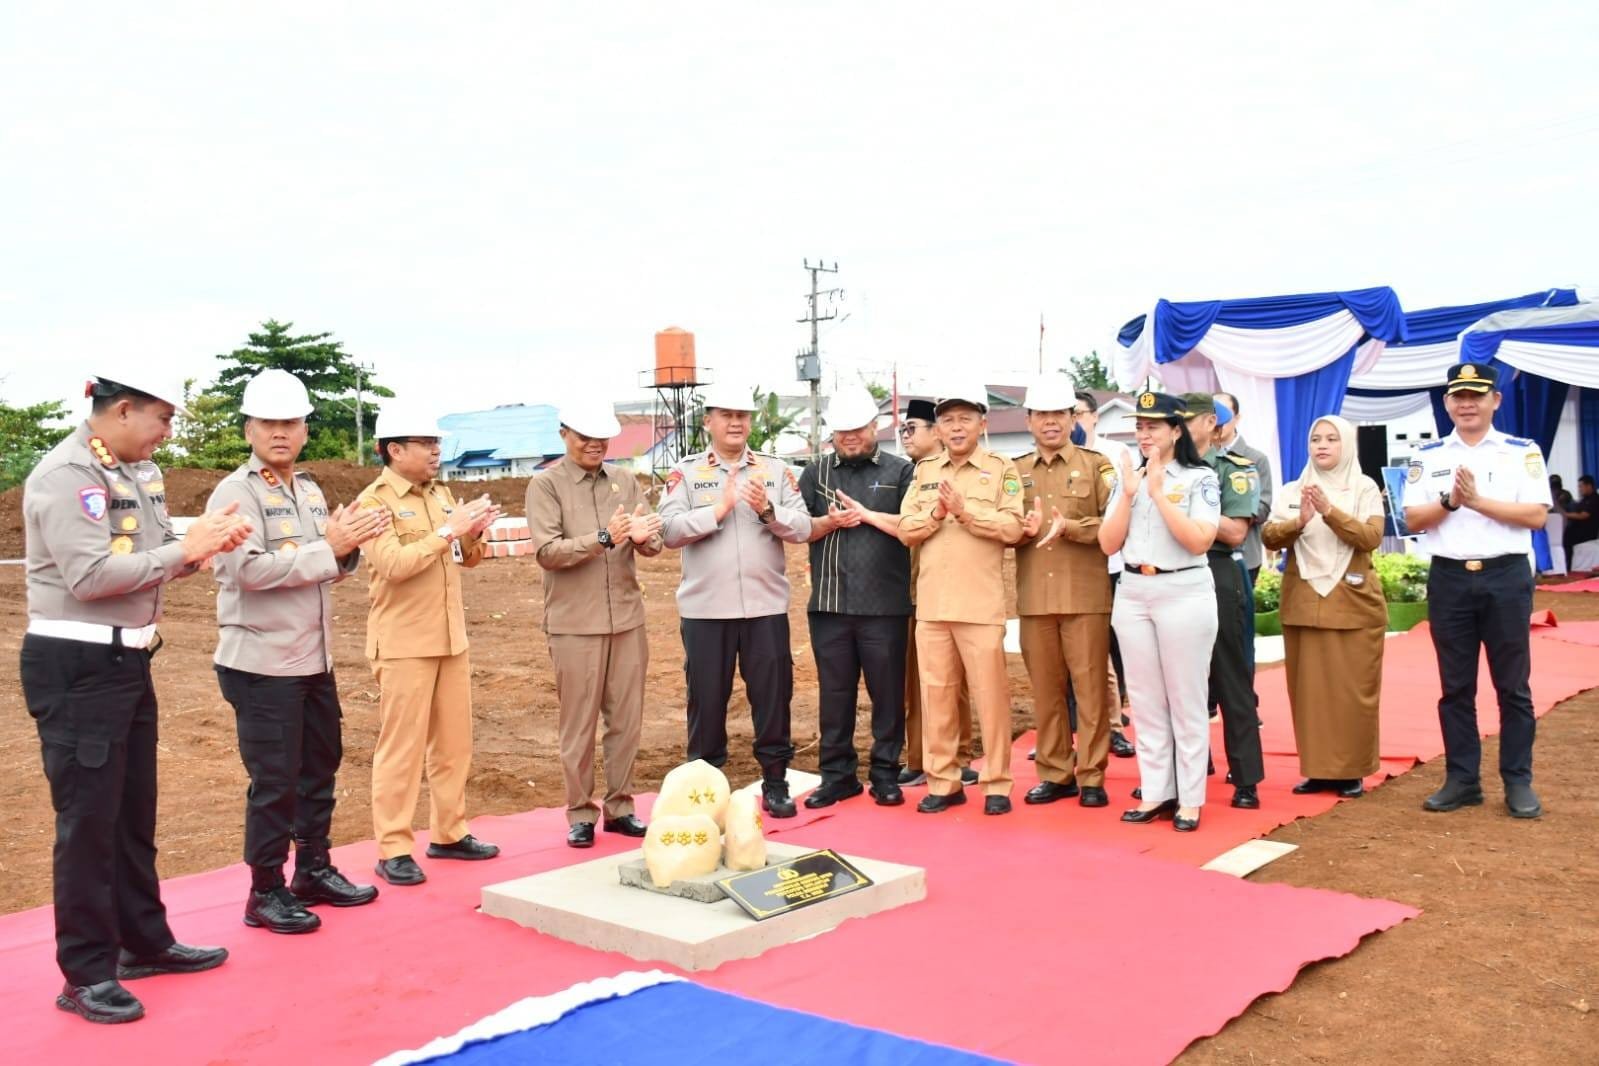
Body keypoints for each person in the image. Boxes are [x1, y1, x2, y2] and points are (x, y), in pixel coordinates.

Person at [21, 372, 250, 1023]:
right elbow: (91, 576)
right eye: (163, 419)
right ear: (122, 410)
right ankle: (86, 973)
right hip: (78, 664)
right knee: (88, 824)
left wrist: (195, 550)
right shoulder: (66, 475)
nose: (168, 434)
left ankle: (143, 941)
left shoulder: (137, 473)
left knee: (130, 812)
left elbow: (151, 555)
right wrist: (184, 548)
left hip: (128, 659)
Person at [209, 370, 387, 935]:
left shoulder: (307, 490)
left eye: (290, 422)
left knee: (319, 768)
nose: (280, 433)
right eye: (269, 423)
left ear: (306, 429)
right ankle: (266, 890)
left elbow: (328, 562)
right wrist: (326, 548)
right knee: (275, 780)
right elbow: (250, 569)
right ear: (249, 428)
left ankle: (312, 868)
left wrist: (346, 548)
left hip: (313, 659)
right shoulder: (237, 493)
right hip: (261, 664)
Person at [359, 404, 503, 885]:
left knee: (453, 745)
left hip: (449, 638)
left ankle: (449, 832)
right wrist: (449, 531)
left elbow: (465, 559)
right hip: (404, 644)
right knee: (401, 748)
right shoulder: (372, 503)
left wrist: (474, 534)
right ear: (394, 450)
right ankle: (394, 846)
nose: (436, 451)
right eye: (425, 443)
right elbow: (395, 565)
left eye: (437, 443)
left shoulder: (441, 494)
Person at [1403, 362, 1551, 819]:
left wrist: (1478, 501)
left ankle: (1518, 781)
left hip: (1505, 576)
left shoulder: (1520, 452)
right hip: (1449, 577)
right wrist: (1449, 501)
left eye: (1476, 395)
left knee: (1513, 686)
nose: (1466, 403)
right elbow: (1411, 520)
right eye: (1458, 396)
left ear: (1495, 401)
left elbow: (1536, 516)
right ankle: (1462, 779)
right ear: (1447, 403)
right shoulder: (1426, 457)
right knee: (1455, 687)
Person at [659, 380, 812, 818]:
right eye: (726, 415)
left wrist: (769, 511)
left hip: (765, 608)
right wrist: (718, 511)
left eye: (742, 416)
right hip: (707, 612)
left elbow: (802, 527)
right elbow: (668, 531)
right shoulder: (686, 473)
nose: (735, 423)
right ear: (708, 421)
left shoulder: (775, 471)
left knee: (772, 695)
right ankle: (706, 786)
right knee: (706, 699)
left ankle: (776, 781)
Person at [528, 399, 663, 849]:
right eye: (584, 436)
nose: (594, 445)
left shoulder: (624, 480)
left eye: (601, 437)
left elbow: (651, 538)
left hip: (626, 619)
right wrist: (604, 538)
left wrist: (645, 539)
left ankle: (621, 806)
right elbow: (549, 551)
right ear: (564, 434)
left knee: (626, 719)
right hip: (574, 624)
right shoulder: (545, 486)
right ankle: (580, 811)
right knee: (579, 723)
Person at [898, 382, 1024, 815]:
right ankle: (944, 780)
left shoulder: (1000, 468)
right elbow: (905, 529)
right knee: (936, 697)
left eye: (964, 419)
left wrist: (966, 513)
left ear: (982, 424)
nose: (955, 427)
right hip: (933, 605)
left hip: (980, 605)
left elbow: (1012, 529)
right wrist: (937, 513)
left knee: (990, 698)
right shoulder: (926, 471)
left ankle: (996, 785)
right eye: (948, 419)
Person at [1099, 392, 1221, 833]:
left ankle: (1190, 798)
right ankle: (1156, 791)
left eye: (1153, 426)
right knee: (1147, 700)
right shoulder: (1125, 476)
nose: (1144, 433)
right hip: (1133, 589)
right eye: (1139, 426)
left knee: (1185, 699)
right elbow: (1107, 543)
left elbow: (1199, 540)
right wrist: (1132, 495)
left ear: (1176, 430)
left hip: (1183, 588)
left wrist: (1159, 495)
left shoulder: (1199, 478)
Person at [797, 385, 914, 808]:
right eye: (841, 431)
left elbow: (912, 526)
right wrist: (825, 522)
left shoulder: (902, 472)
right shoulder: (816, 473)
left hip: (885, 607)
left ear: (875, 426)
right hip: (829, 605)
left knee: (887, 695)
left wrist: (868, 517)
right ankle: (837, 775)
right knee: (835, 695)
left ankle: (885, 773)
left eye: (857, 430)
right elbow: (800, 529)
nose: (849, 438)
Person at [1261, 416, 1385, 799]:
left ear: (1346, 444)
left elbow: (1370, 538)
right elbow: (1268, 534)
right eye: (1316, 438)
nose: (1323, 445)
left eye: (1332, 439)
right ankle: (1317, 769)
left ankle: (1351, 771)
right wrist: (1298, 521)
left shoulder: (1364, 487)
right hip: (1304, 602)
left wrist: (1330, 511)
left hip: (1352, 602)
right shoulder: (1292, 489)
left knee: (1352, 691)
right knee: (1309, 692)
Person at [1014, 376, 1116, 809]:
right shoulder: (1013, 472)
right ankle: (1056, 773)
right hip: (1035, 599)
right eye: (1042, 415)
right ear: (1030, 420)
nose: (1051, 422)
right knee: (1046, 690)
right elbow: (1004, 527)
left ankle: (1092, 775)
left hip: (1086, 597)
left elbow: (1113, 527)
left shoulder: (1097, 466)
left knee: (1091, 690)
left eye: (1059, 414)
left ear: (1073, 418)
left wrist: (1071, 528)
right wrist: (1020, 530)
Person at [1184, 394, 1266, 810]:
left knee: (1232, 679)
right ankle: (1183, 773)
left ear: (1210, 424)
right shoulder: (1159, 470)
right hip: (1172, 574)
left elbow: (1235, 532)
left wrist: (1186, 510)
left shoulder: (1233, 469)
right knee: (1178, 685)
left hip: (1217, 571)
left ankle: (1247, 778)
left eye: (1188, 417)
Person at [896, 399, 979, 788]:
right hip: (915, 590)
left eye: (913, 428)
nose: (906, 436)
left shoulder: (967, 471)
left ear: (937, 432)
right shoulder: (909, 473)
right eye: (904, 430)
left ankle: (959, 755)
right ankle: (919, 757)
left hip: (959, 591)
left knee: (954, 681)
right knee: (920, 681)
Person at [1072, 389, 1135, 758]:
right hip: (1069, 565)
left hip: (1109, 565)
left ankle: (1113, 725)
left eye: (1078, 412)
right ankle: (1069, 730)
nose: (1073, 419)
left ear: (1094, 416)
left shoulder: (1114, 455)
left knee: (1106, 652)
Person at [1214, 392, 1274, 708]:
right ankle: (1211, 699)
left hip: (1243, 557)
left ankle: (1243, 699)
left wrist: (1228, 513)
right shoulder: (1198, 457)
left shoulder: (1254, 458)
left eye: (1223, 413)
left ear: (1236, 418)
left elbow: (1263, 507)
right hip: (1203, 556)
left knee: (1238, 634)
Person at [1560, 474, 1597, 572]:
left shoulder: (1594, 499)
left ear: (1589, 486)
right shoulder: (1584, 500)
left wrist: (1565, 514)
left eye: (1581, 486)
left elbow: (1584, 515)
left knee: (1566, 540)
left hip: (1586, 533)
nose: (1579, 489)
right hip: (1577, 532)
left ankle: (1567, 567)